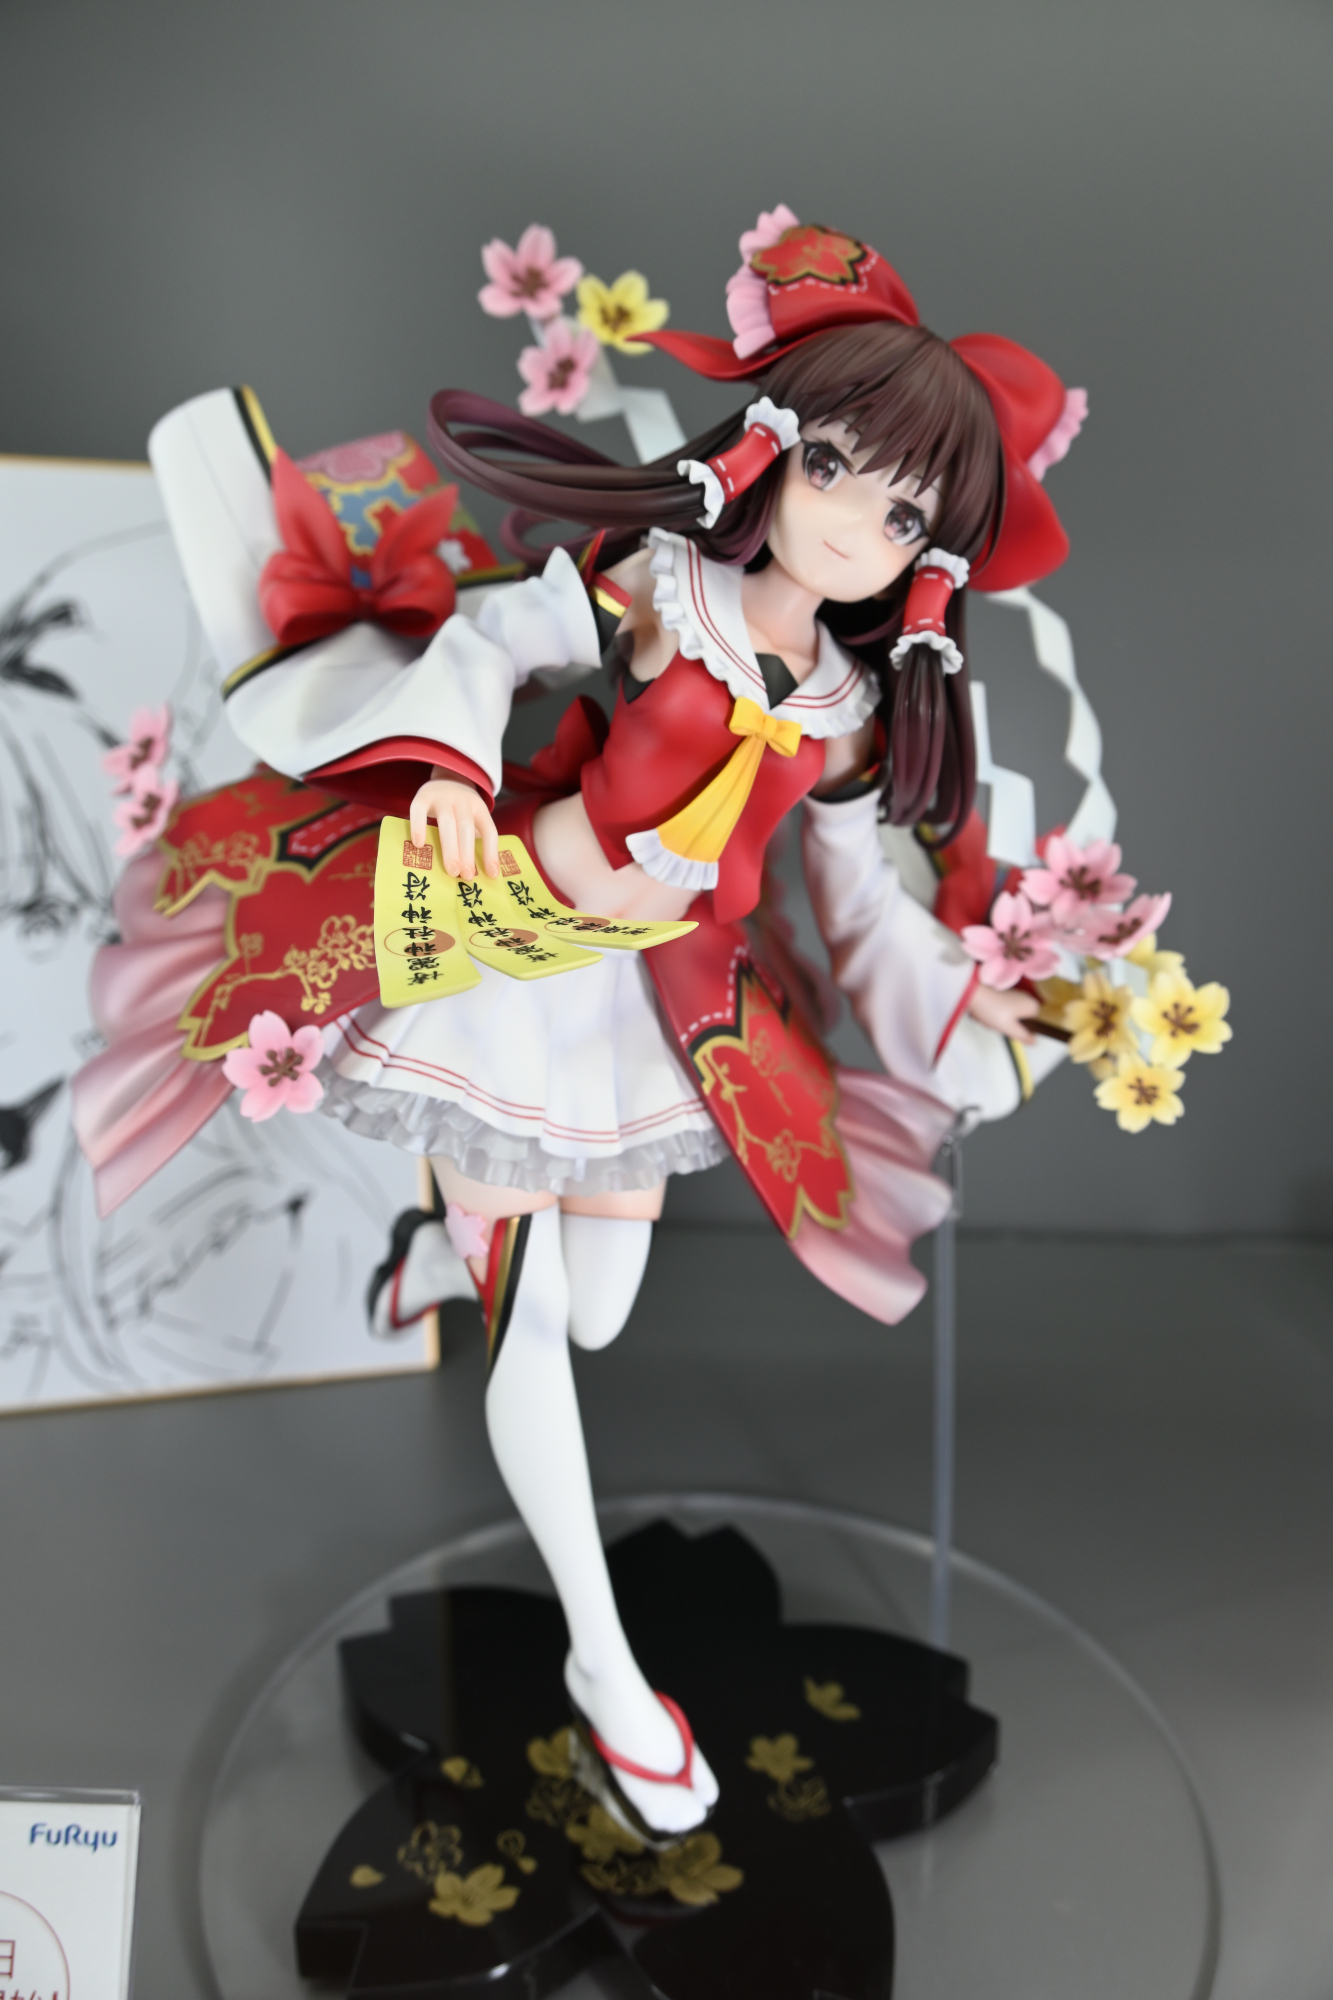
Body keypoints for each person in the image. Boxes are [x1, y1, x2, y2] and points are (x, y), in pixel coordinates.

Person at [75, 207, 1083, 1844]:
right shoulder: (664, 583)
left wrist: (986, 1016)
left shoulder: (846, 712)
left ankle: (446, 1244)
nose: (852, 525)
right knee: (539, 1325)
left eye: (901, 513)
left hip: (641, 998)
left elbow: (858, 913)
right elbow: (487, 636)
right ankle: (609, 1674)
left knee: (599, 1315)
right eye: (838, 468)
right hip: (513, 943)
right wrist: (452, 770)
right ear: (776, 447)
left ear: (932, 554)